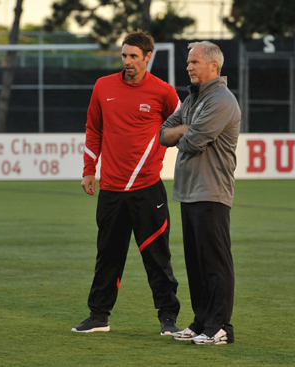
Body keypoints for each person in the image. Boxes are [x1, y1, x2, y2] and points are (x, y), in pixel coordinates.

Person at [72, 30, 181, 336]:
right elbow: (93, 129)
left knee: (158, 258)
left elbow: (183, 127)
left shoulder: (163, 92)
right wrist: (88, 170)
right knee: (107, 255)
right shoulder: (103, 86)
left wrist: (162, 153)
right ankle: (98, 316)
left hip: (147, 189)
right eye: (124, 55)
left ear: (148, 57)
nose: (128, 61)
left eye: (134, 56)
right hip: (110, 189)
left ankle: (168, 320)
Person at [159, 41, 240, 345]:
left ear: (213, 66)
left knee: (215, 263)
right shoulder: (192, 98)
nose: (188, 67)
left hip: (211, 191)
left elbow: (191, 142)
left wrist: (184, 132)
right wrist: (185, 129)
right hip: (189, 191)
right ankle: (201, 321)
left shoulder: (221, 100)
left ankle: (220, 328)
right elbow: (163, 133)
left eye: (194, 62)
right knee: (195, 263)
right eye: (188, 63)